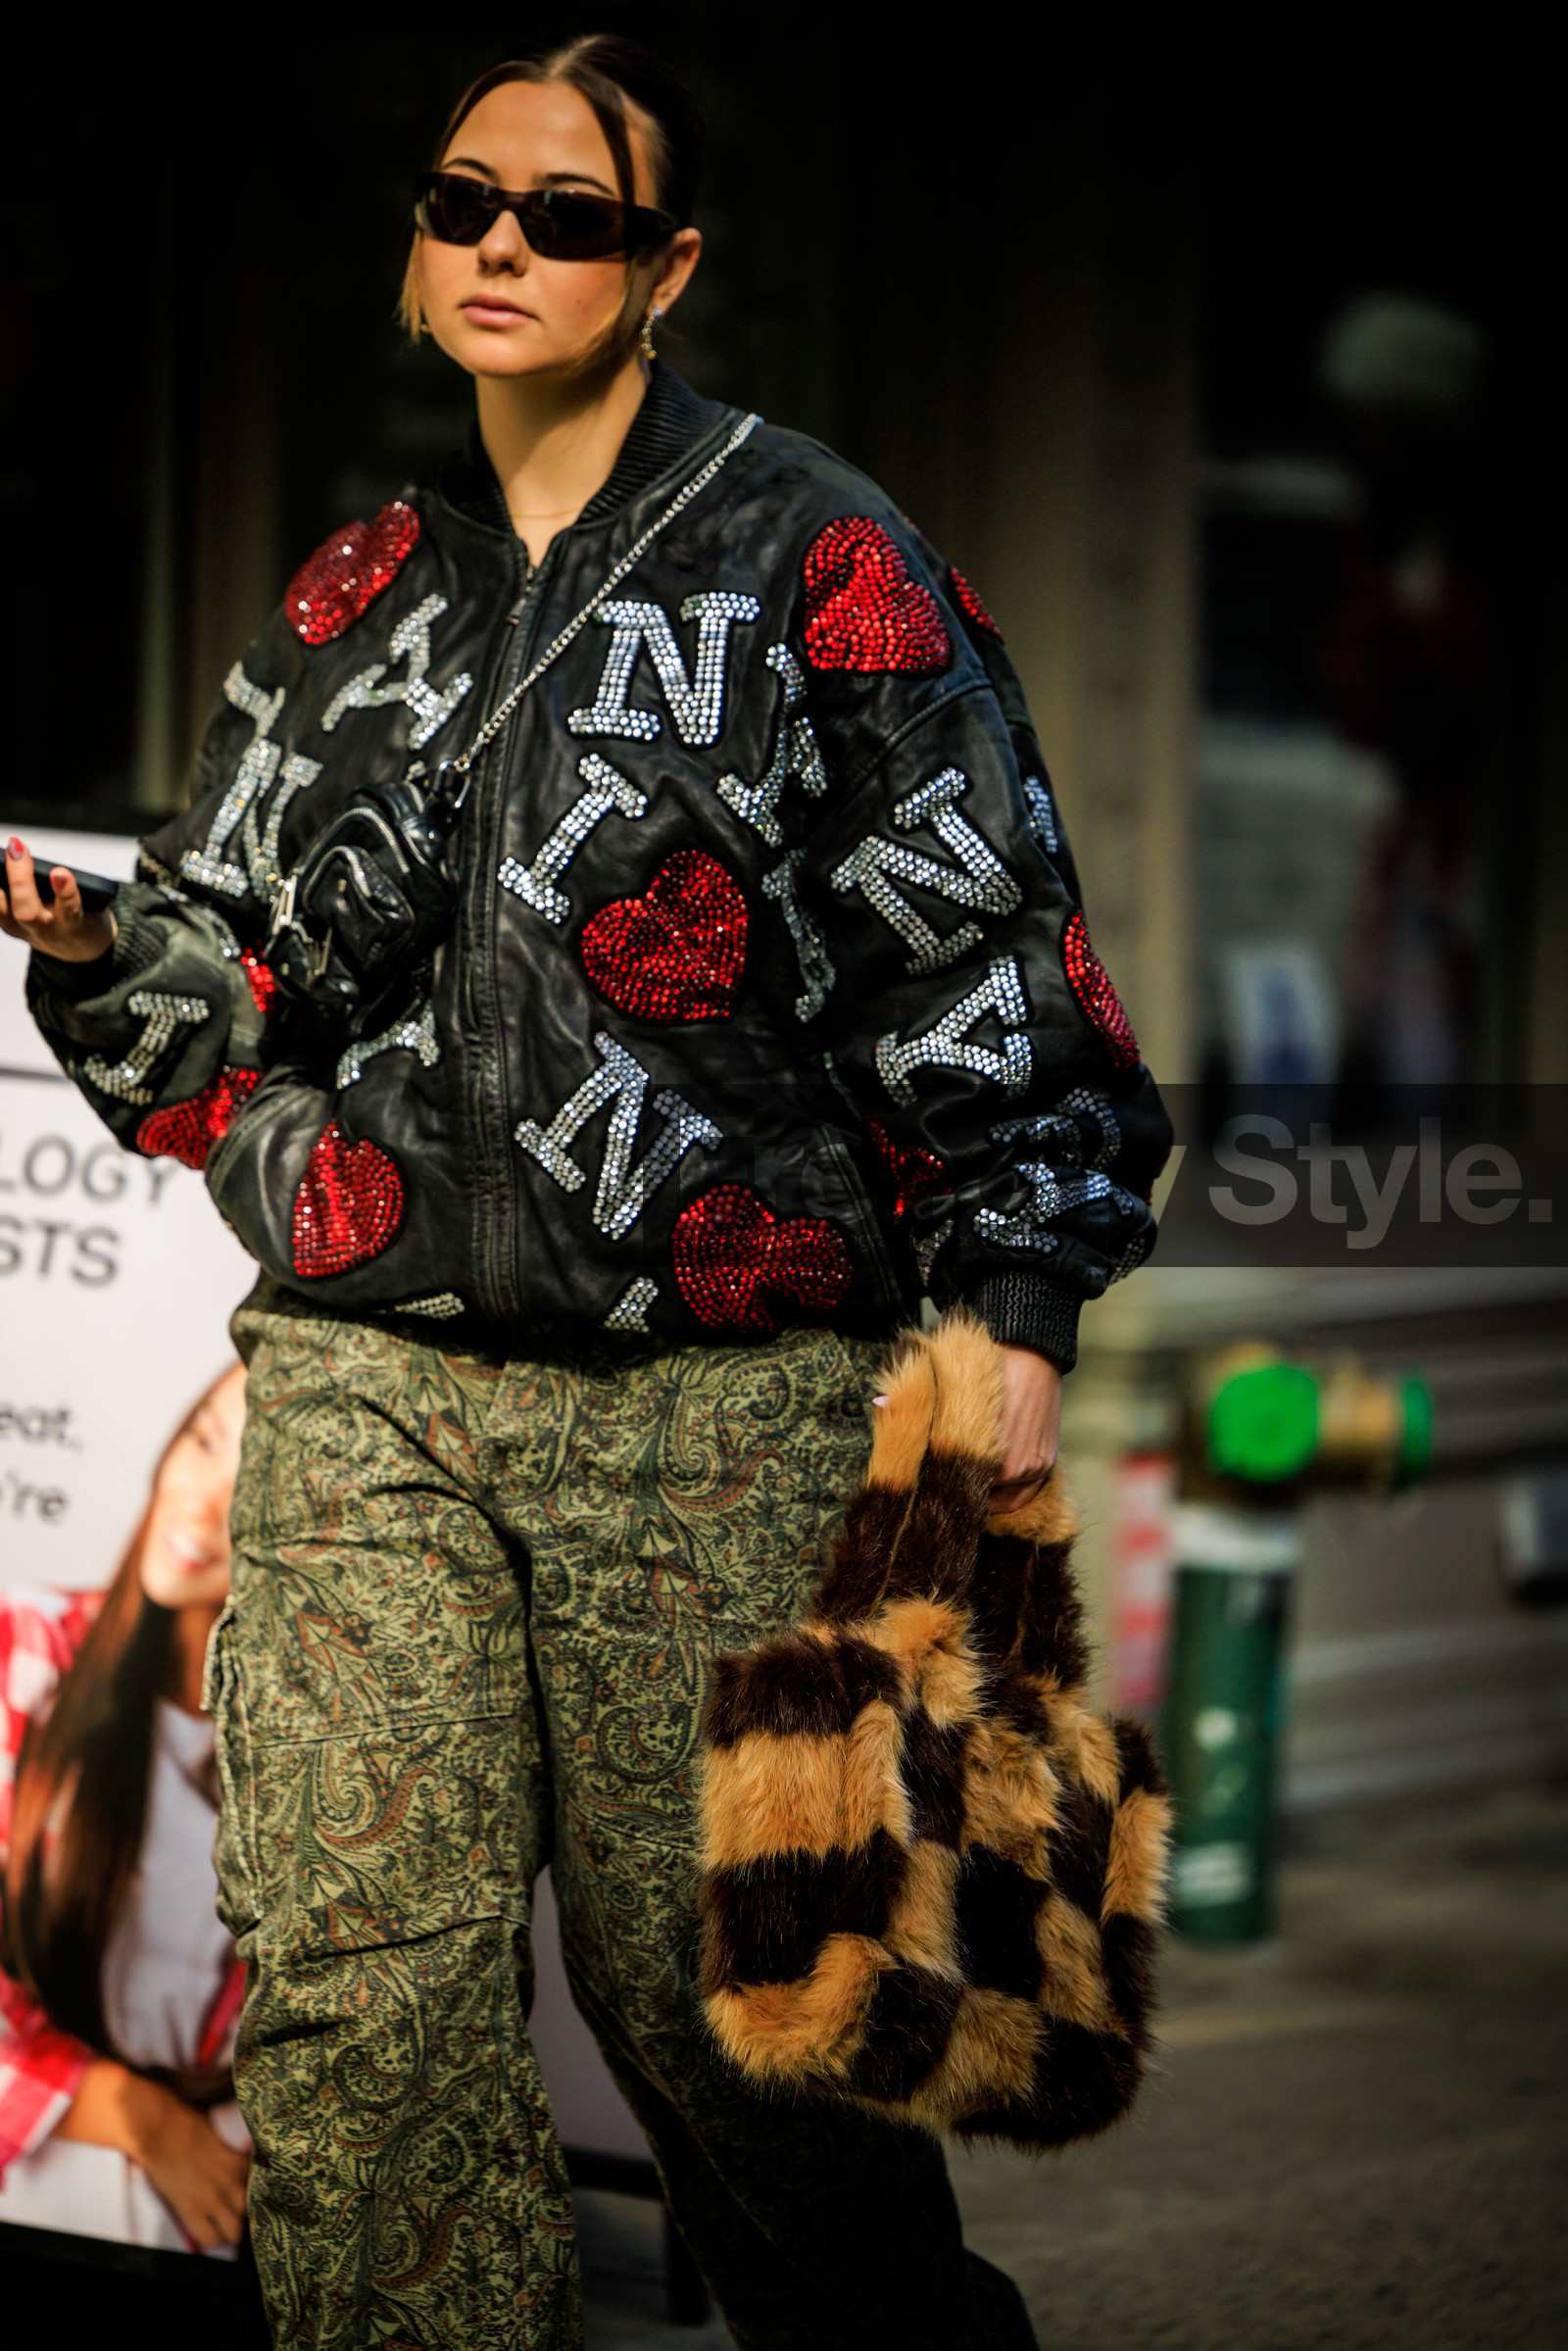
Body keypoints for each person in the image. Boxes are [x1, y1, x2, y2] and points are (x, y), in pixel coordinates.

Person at [1, 34, 1170, 2349]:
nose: (502, 247)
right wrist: (106, 947)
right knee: (364, 1999)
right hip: (372, 1373)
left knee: (739, 2034)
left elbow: (972, 938)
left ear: (669, 268)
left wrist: (1013, 1298)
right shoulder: (361, 594)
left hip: (711, 1406)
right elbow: (240, 962)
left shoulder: (810, 552)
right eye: (461, 205)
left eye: (565, 216)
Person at [0, 1365, 250, 2257]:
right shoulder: (24, 1648)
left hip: (226, 2182)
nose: (198, 1503)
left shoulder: (327, 1763)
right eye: (202, 1442)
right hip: (41, 2146)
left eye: (250, 1485)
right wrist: (130, 2113)